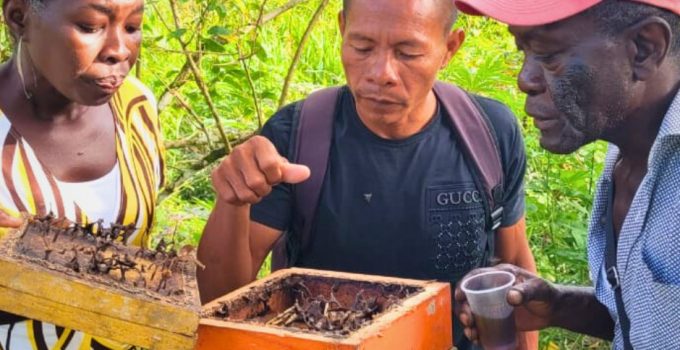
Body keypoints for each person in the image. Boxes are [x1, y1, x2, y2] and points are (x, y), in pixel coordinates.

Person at [198, 0, 537, 348]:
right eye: (362, 47)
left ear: (449, 48)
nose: (381, 73)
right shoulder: (295, 137)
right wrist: (232, 202)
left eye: (408, 53)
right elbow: (223, 302)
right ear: (343, 30)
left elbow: (513, 271)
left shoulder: (488, 134)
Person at [452, 0, 680, 348]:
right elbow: (647, 322)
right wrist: (559, 305)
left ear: (644, 49)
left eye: (548, 55)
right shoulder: (627, 148)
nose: (524, 80)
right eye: (523, 50)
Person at [0, 0, 164, 348]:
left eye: (133, 27)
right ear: (19, 18)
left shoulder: (138, 109)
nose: (119, 50)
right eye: (90, 27)